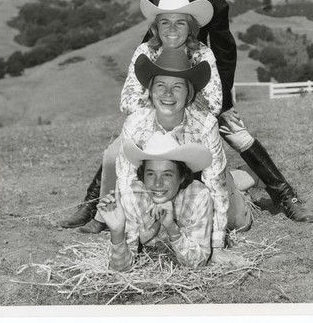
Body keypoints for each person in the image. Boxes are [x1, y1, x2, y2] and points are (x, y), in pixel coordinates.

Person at [60, 0, 313, 229]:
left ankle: (285, 197)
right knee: (129, 135)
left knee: (235, 131)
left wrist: (225, 101)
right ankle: (94, 205)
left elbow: (225, 53)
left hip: (195, 73)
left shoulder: (213, 2)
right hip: (155, 67)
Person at [82, 49, 255, 268]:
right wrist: (131, 231)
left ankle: (247, 177)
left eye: (178, 86)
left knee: (238, 221)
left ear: (189, 93)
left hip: (200, 180)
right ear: (151, 91)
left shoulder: (206, 123)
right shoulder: (135, 123)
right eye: (161, 85)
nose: (168, 94)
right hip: (157, 180)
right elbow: (126, 183)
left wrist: (216, 247)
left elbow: (215, 184)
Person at [97, 131, 215, 271]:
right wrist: (117, 232)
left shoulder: (199, 196)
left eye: (167, 175)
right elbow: (121, 268)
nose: (157, 183)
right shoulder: (131, 197)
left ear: (182, 176)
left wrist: (173, 230)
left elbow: (198, 263)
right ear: (142, 175)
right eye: (151, 174)